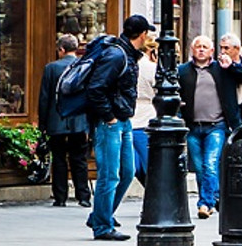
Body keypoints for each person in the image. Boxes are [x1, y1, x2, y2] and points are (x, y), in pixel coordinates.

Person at [83, 14, 153, 241]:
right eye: (146, 33)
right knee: (110, 175)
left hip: (123, 120)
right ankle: (102, 226)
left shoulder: (126, 54)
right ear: (142, 35)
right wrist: (109, 116)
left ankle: (99, 216)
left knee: (127, 172)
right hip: (110, 122)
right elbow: (96, 88)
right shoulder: (117, 55)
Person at [179, 34, 242, 219]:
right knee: (200, 168)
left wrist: (231, 66)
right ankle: (213, 197)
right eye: (197, 46)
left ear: (211, 51)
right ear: (192, 50)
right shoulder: (183, 71)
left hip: (216, 125)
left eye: (205, 46)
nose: (201, 49)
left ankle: (205, 203)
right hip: (193, 126)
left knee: (210, 164)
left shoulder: (221, 69)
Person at [39, 34, 92, 209]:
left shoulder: (51, 68)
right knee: (79, 159)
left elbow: (45, 98)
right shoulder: (84, 66)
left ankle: (60, 197)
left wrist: (43, 124)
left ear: (61, 49)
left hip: (57, 120)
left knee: (59, 159)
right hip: (79, 120)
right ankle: (83, 195)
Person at [129, 42, 157, 187]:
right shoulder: (151, 68)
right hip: (146, 118)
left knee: (133, 165)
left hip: (128, 118)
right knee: (149, 165)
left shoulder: (127, 64)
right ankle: (153, 196)